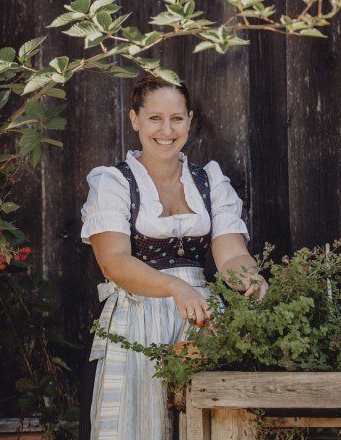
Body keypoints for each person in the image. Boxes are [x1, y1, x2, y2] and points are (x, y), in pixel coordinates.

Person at [80, 75, 269, 440]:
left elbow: (231, 254)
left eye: (177, 119)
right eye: (154, 118)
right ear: (134, 120)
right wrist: (174, 287)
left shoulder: (209, 181)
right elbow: (114, 262)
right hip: (137, 321)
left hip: (200, 320)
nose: (166, 130)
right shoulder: (113, 183)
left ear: (190, 119)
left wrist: (251, 278)